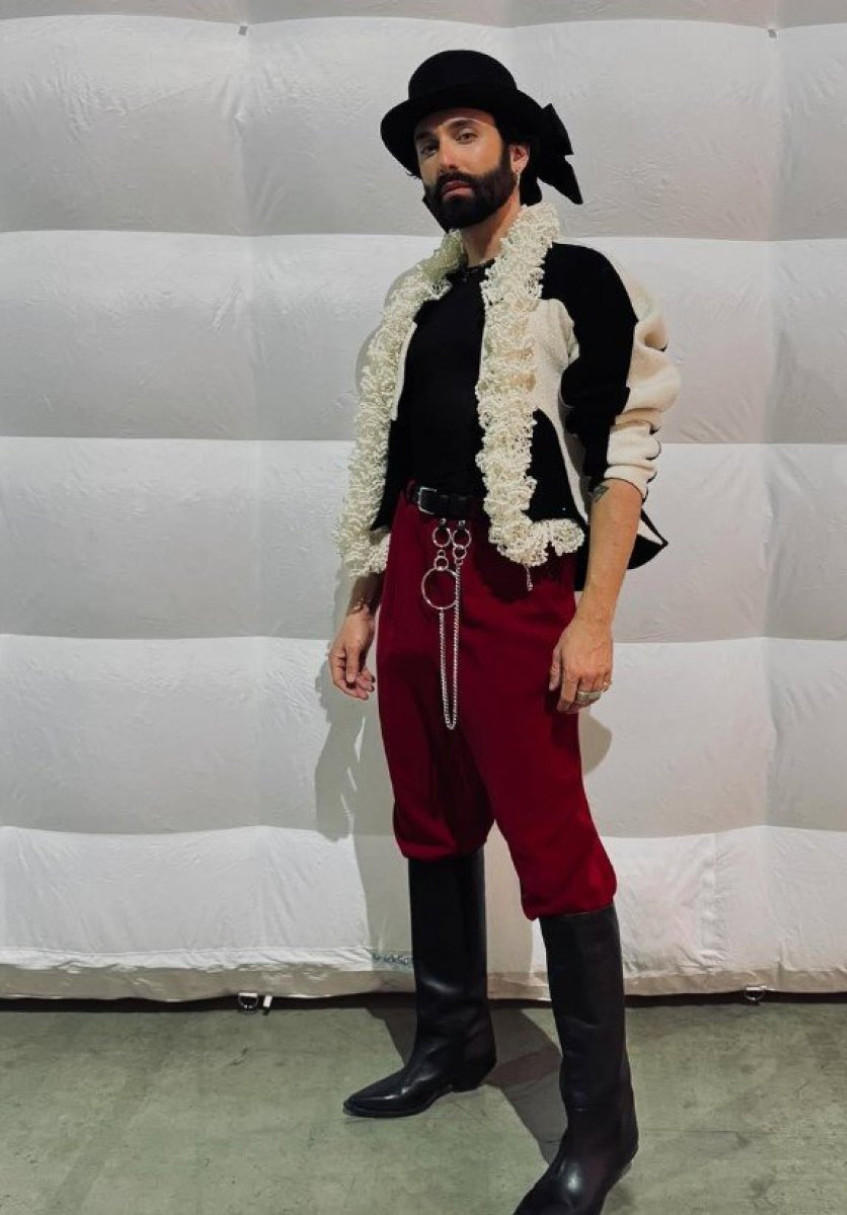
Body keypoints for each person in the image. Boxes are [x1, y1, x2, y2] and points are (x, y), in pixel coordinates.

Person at [328, 48, 680, 1215]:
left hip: (521, 581)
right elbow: (388, 460)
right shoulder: (417, 300)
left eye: (464, 133)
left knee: (548, 836)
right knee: (428, 816)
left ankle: (600, 1124)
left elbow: (624, 449)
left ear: (516, 151)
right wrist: (361, 598)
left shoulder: (576, 279)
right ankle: (452, 1041)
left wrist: (594, 617)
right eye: (428, 144)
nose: (444, 158)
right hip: (417, 572)